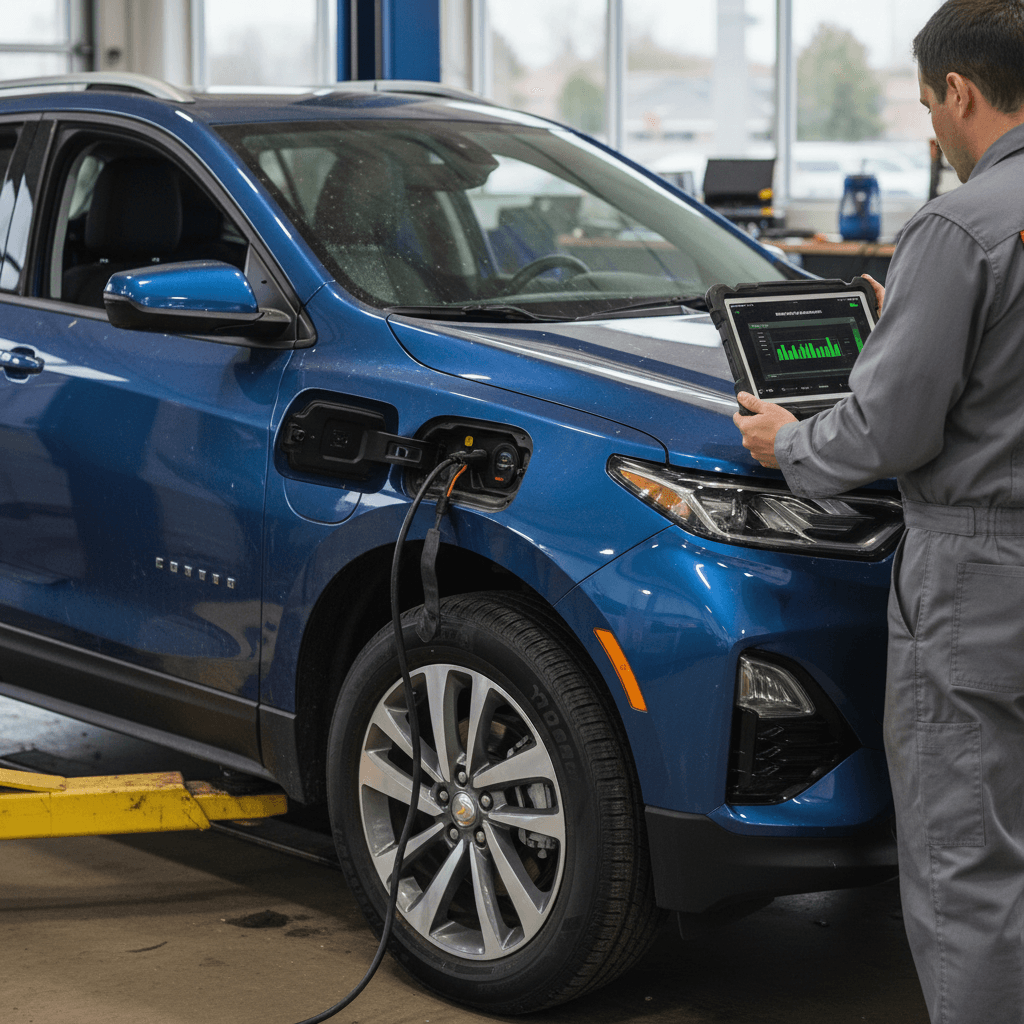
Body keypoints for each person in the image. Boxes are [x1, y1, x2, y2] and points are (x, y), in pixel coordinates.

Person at [733, 2, 1024, 1021]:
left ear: (959, 91)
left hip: (984, 577)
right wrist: (909, 314)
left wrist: (788, 443)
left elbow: (888, 435)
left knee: (968, 865)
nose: (930, 131)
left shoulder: (959, 225)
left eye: (926, 107)